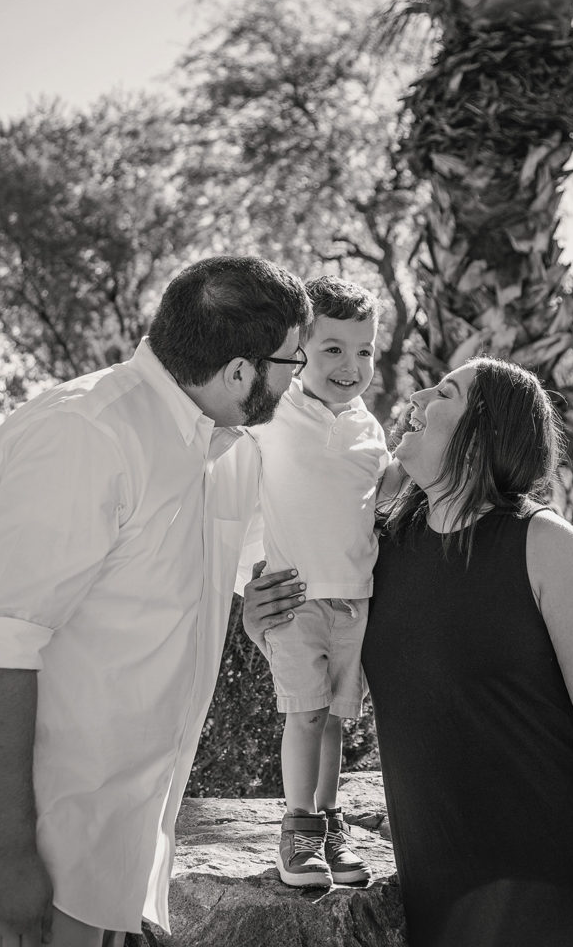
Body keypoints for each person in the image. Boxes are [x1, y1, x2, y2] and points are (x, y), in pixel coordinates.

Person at [243, 356, 573, 947]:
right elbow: (339, 682)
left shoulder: (542, 543)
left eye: (445, 392)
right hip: (442, 883)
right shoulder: (383, 550)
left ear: (481, 430)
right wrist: (268, 627)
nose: (415, 396)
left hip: (566, 869)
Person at [0, 255, 311, 947]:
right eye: (293, 361)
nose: (300, 380)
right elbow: (2, 644)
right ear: (239, 370)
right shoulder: (85, 434)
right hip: (43, 851)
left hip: (122, 855)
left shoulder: (230, 452)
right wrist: (9, 857)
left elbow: (248, 568)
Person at [243, 275, 390, 888]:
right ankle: (296, 830)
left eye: (364, 351)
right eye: (332, 349)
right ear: (299, 349)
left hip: (354, 602)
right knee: (303, 717)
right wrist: (245, 586)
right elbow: (229, 487)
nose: (350, 365)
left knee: (333, 720)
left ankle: (327, 828)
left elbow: (375, 506)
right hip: (296, 597)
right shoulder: (272, 413)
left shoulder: (371, 429)